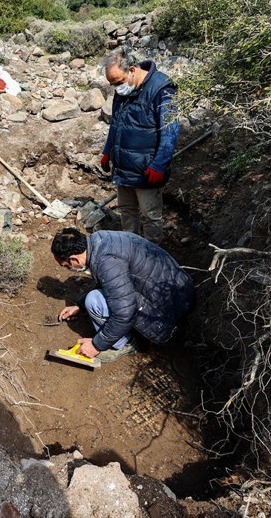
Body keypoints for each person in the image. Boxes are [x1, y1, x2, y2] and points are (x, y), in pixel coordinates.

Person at [51, 227, 195, 363]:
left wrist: (96, 345)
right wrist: (79, 306)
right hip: (180, 291)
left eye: (66, 265)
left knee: (94, 301)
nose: (68, 269)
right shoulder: (99, 240)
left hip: (170, 311)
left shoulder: (106, 262)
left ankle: (127, 343)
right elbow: (112, 282)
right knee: (98, 299)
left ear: (75, 259)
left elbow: (125, 313)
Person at [100, 48, 180, 245]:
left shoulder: (162, 89)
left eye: (118, 82)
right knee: (127, 212)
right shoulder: (123, 89)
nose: (117, 88)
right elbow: (116, 123)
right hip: (124, 168)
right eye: (112, 84)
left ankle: (152, 255)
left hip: (146, 170)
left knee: (150, 216)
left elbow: (170, 131)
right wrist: (107, 150)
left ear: (133, 70)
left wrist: (159, 164)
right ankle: (131, 249)